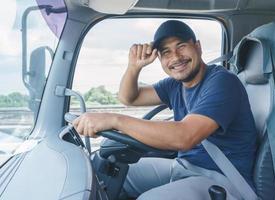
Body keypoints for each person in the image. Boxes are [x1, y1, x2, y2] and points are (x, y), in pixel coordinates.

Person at [73, 20, 257, 200]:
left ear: (198, 47)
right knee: (105, 172)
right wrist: (134, 67)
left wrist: (115, 120)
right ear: (160, 59)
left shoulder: (222, 82)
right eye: (166, 52)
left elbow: (185, 136)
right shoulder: (175, 85)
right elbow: (129, 97)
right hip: (184, 166)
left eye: (181, 46)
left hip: (221, 179)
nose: (176, 57)